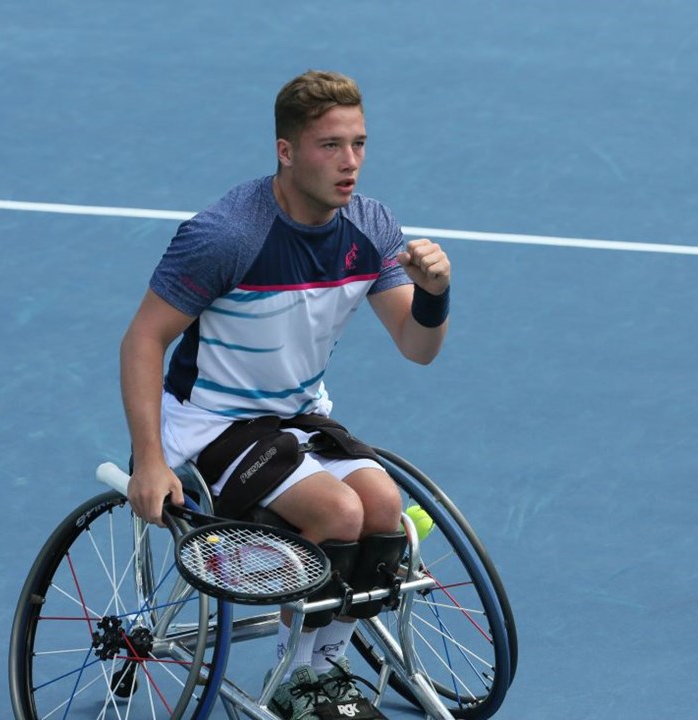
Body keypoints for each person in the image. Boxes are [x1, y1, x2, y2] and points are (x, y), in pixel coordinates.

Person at [119, 69, 451, 720]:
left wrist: (436, 295)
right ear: (286, 151)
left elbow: (417, 345)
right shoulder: (227, 237)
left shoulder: (372, 227)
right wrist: (150, 459)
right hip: (211, 425)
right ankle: (299, 682)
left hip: (297, 421)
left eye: (359, 143)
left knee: (383, 505)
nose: (350, 162)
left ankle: (327, 671)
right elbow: (142, 341)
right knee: (339, 513)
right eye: (330, 145)